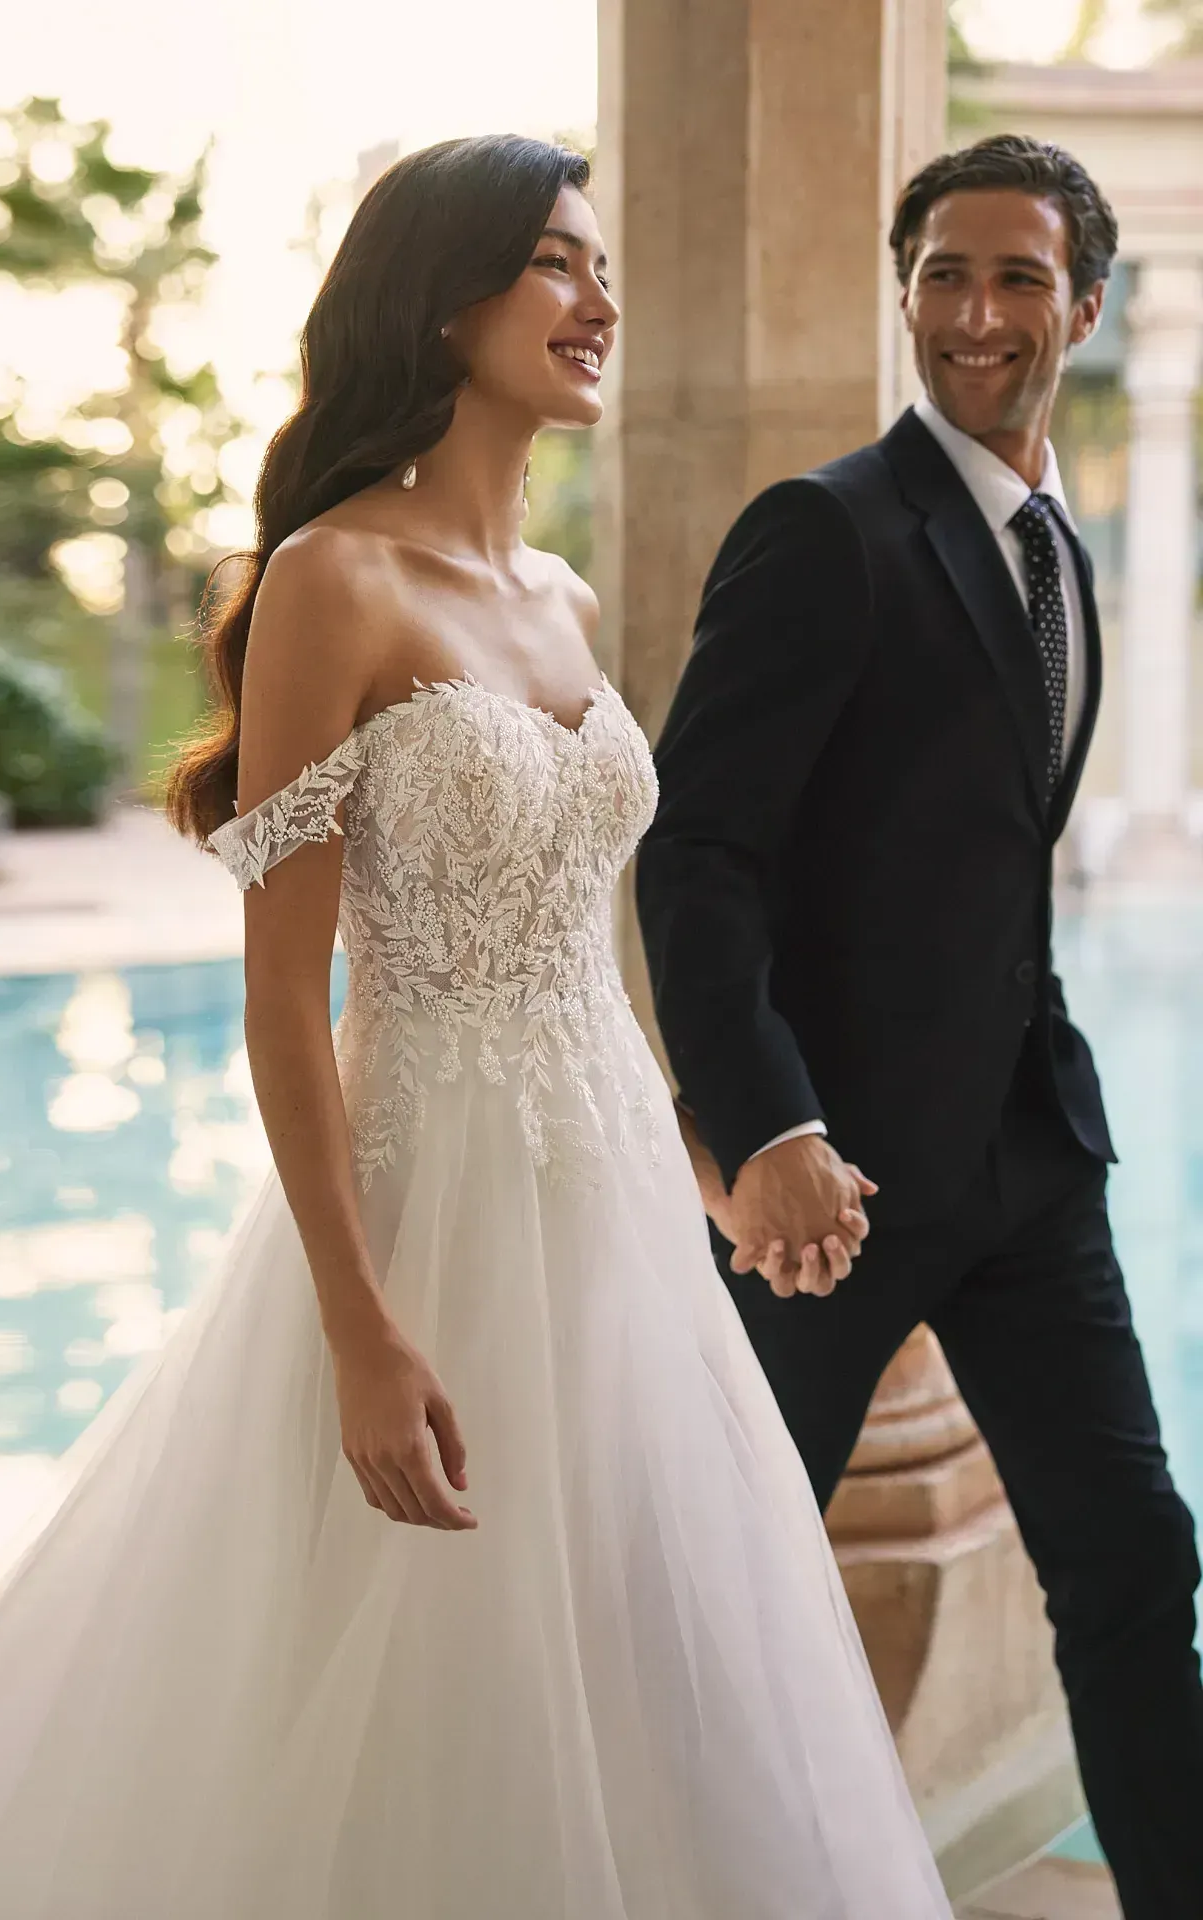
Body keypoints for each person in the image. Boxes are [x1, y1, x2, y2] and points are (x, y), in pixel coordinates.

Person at [0, 136, 950, 1919]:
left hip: (618, 1234)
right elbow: (286, 998)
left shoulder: (566, 604)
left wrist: (710, 1176)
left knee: (645, 1671)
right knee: (411, 1681)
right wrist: (360, 1326)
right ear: (443, 303)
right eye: (558, 266)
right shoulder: (330, 580)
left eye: (602, 264)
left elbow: (578, 972)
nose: (602, 301)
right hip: (424, 1230)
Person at [637, 133, 1203, 1920]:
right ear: (905, 296)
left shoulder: (1062, 550)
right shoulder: (825, 532)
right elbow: (702, 854)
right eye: (945, 274)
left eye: (1019, 276)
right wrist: (769, 1132)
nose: (977, 311)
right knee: (731, 1592)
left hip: (1032, 1164)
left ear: (1085, 307)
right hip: (837, 1190)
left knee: (1133, 1565)